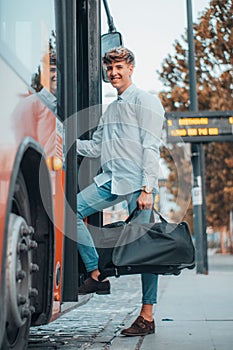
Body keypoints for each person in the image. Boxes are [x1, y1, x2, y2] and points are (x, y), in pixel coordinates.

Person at [76, 47, 164, 336]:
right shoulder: (111, 108)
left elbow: (151, 146)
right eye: (109, 68)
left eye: (119, 67)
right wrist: (62, 140)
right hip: (112, 180)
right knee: (72, 210)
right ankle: (96, 273)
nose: (113, 73)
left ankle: (147, 316)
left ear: (131, 68)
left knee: (145, 250)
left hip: (138, 185)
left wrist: (147, 188)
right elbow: (97, 147)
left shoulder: (146, 101)